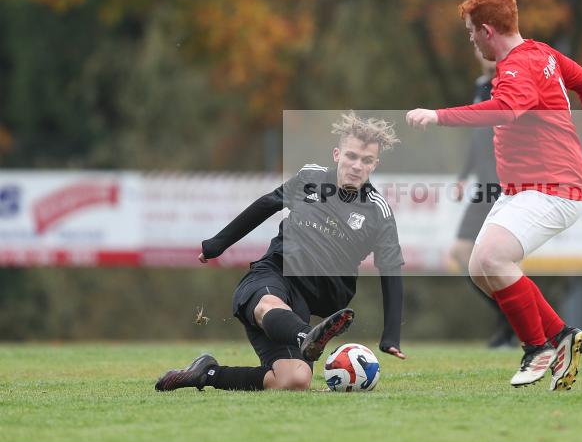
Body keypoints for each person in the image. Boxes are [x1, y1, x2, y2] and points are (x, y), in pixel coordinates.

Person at [407, 0, 582, 389]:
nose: (471, 40)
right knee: (479, 268)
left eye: (471, 32)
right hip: (526, 189)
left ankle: (537, 349)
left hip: (552, 187)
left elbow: (506, 110)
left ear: (487, 30)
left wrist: (438, 116)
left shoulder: (518, 66)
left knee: (493, 259)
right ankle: (561, 335)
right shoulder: (542, 53)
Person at [156, 112, 406, 392]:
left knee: (294, 381)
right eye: (351, 156)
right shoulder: (311, 177)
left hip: (303, 303)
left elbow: (391, 271)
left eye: (366, 160)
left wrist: (391, 336)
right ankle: (305, 336)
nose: (357, 165)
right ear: (337, 154)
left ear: (375, 164)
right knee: (268, 305)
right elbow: (267, 204)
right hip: (273, 274)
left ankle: (207, 373)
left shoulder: (378, 211)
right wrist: (217, 244)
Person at [447, 48, 515, 348]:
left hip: (507, 187)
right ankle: (511, 318)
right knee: (461, 253)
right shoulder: (480, 86)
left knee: (499, 261)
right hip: (484, 188)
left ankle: (515, 326)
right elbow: (477, 138)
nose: (484, 52)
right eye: (477, 46)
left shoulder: (509, 83)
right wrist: (464, 176)